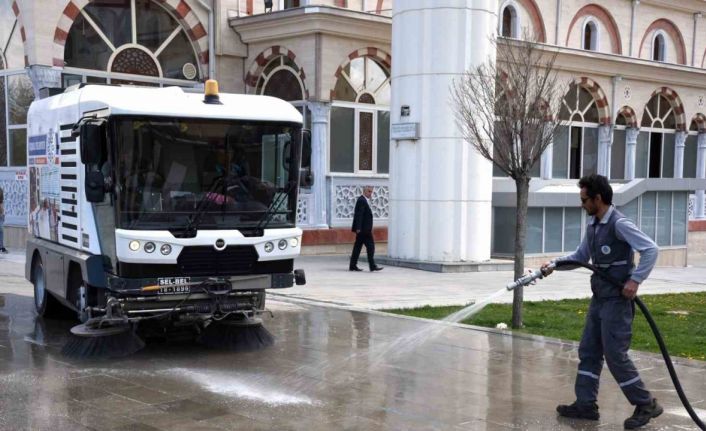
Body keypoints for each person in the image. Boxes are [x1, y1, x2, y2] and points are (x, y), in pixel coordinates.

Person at [541, 174, 662, 430]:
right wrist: (554, 265)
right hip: (600, 300)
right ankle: (585, 404)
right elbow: (581, 256)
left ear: (598, 198)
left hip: (616, 302)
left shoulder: (619, 224)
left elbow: (651, 249)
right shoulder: (594, 225)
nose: (582, 204)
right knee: (589, 352)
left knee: (615, 355)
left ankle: (646, 404)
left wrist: (636, 279)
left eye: (585, 200)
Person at [349, 186, 382, 272]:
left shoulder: (363, 200)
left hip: (363, 229)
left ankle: (353, 265)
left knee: (357, 247)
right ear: (364, 191)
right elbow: (359, 215)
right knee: (371, 247)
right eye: (369, 191)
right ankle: (372, 265)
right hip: (364, 230)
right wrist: (359, 228)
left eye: (371, 192)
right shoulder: (362, 201)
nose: (370, 193)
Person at [0, 187, 6, 253]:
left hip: (0, 214)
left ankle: (1, 246)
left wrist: (3, 213)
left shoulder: (0, 190)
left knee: (1, 230)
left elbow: (1, 203)